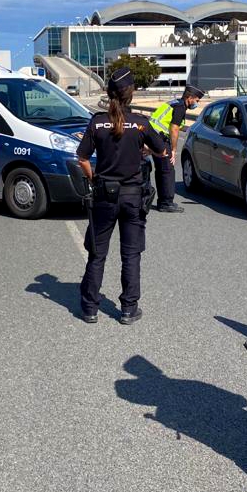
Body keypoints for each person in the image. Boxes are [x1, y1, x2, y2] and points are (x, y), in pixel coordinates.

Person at [77, 67, 167, 325]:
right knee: (131, 255)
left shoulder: (97, 122)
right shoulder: (140, 123)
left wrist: (94, 178)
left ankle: (90, 308)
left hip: (104, 194)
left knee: (97, 254)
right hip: (132, 197)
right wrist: (145, 151)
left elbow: (82, 157)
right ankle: (128, 308)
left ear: (109, 93)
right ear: (131, 93)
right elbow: (161, 151)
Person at [148, 84, 205, 213]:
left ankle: (163, 201)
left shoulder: (175, 103)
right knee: (167, 170)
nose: (197, 103)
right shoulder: (180, 107)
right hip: (159, 138)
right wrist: (174, 150)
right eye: (197, 100)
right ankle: (166, 202)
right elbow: (174, 128)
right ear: (189, 98)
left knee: (162, 170)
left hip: (152, 136)